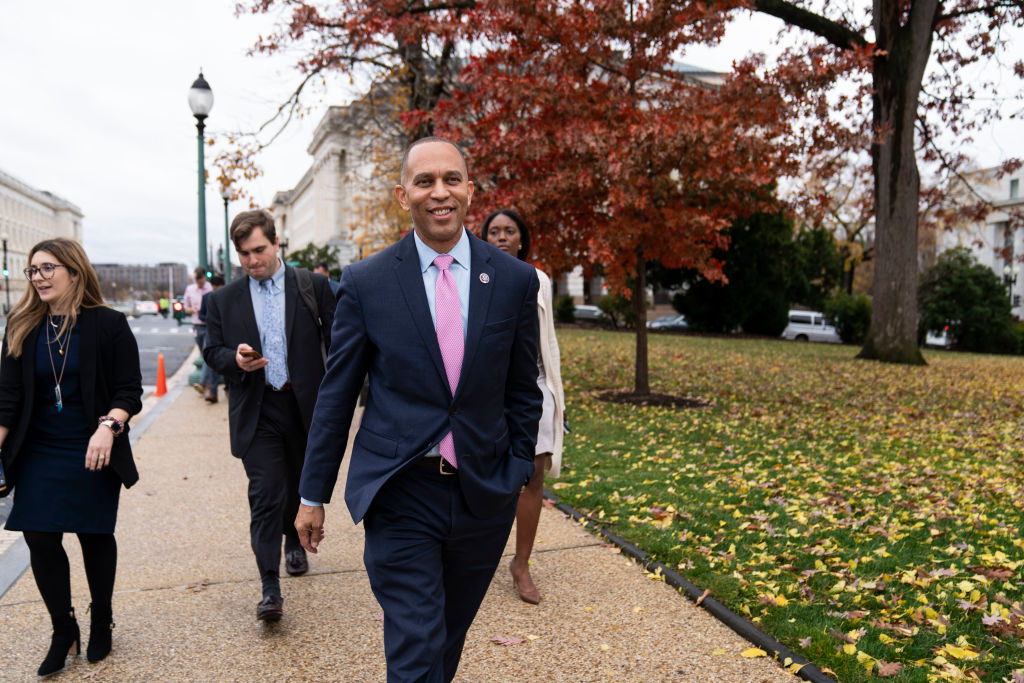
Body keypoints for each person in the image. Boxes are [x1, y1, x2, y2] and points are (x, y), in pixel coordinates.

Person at [295, 137, 542, 682]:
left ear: (470, 191)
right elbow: (337, 395)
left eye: (451, 179)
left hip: (483, 490)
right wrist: (313, 496)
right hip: (401, 489)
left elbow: (525, 389)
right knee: (415, 640)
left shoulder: (514, 281)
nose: (440, 192)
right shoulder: (366, 282)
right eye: (425, 181)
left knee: (447, 638)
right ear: (402, 193)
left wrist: (517, 465)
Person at [0, 238, 143, 676]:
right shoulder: (21, 325)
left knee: (93, 535)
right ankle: (64, 629)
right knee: (40, 536)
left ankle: (102, 618)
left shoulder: (109, 324)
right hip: (39, 448)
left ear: (74, 272)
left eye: (47, 268)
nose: (38, 277)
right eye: (33, 271)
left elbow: (129, 392)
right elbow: (7, 399)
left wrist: (109, 426)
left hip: (92, 447)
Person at [203, 210, 336, 623]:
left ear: (276, 243)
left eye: (258, 250)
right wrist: (235, 359)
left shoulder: (312, 286)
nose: (251, 260)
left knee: (297, 486)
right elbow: (212, 351)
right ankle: (269, 588)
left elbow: (339, 340)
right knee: (265, 494)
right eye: (243, 254)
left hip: (303, 406)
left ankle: (293, 543)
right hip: (257, 409)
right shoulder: (223, 300)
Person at [482, 209, 567, 605]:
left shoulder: (539, 280)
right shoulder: (474, 277)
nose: (501, 237)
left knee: (534, 475)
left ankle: (522, 563)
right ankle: (473, 557)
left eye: (509, 231)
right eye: (494, 231)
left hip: (533, 387)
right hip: (487, 390)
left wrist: (557, 398)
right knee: (485, 473)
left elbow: (548, 342)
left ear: (521, 239)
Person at [183, 267, 213, 396]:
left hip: (209, 324)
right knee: (204, 353)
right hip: (197, 325)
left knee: (207, 354)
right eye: (196, 280)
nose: (198, 283)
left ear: (204, 278)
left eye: (200, 280)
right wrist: (193, 310)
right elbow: (185, 308)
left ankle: (202, 382)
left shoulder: (210, 288)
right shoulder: (190, 289)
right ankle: (209, 382)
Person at [197, 275, 226, 403]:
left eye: (218, 287)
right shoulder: (207, 298)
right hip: (212, 332)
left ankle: (228, 389)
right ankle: (213, 392)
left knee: (228, 360)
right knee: (213, 360)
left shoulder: (229, 296)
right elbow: (201, 314)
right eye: (214, 288)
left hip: (228, 332)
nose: (216, 290)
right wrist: (210, 319)